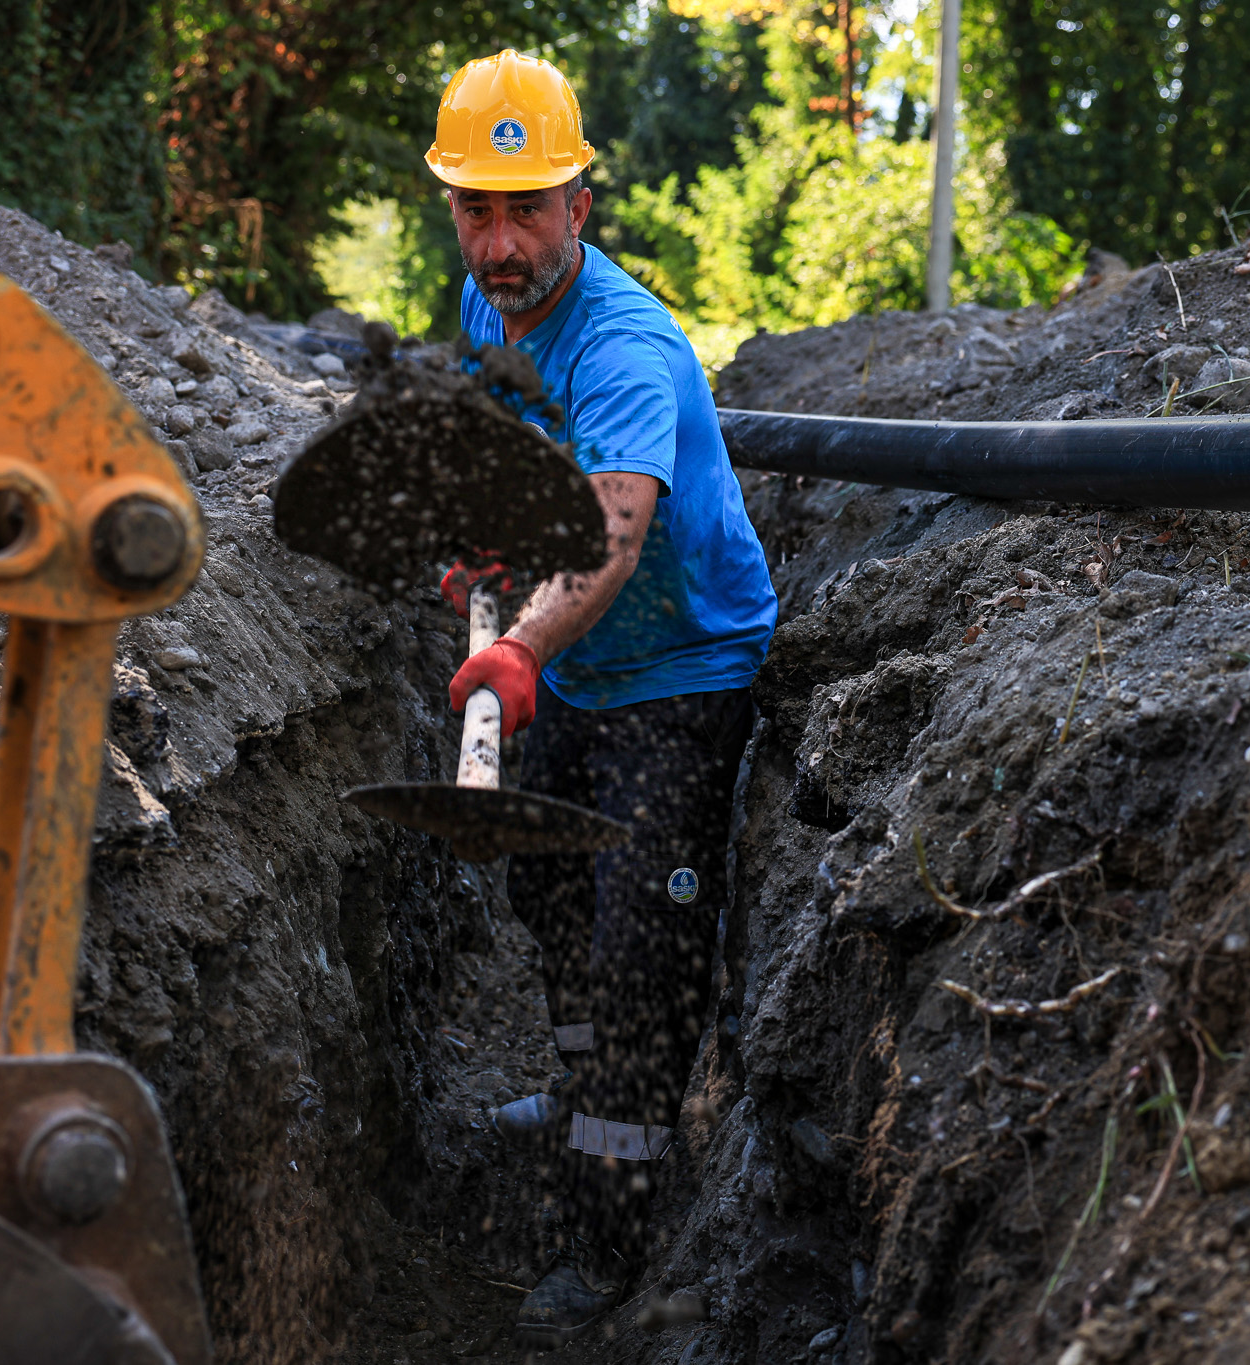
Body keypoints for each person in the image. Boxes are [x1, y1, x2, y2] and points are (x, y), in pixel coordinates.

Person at [423, 48, 778, 1349]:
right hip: (574, 659)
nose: (501, 241)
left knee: (641, 952)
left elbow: (615, 535)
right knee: (547, 888)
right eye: (477, 208)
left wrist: (513, 651)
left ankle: (614, 1235)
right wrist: (491, 552)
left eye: (529, 209)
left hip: (682, 675)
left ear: (584, 201)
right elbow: (520, 464)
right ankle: (581, 1092)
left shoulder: (626, 347)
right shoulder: (485, 305)